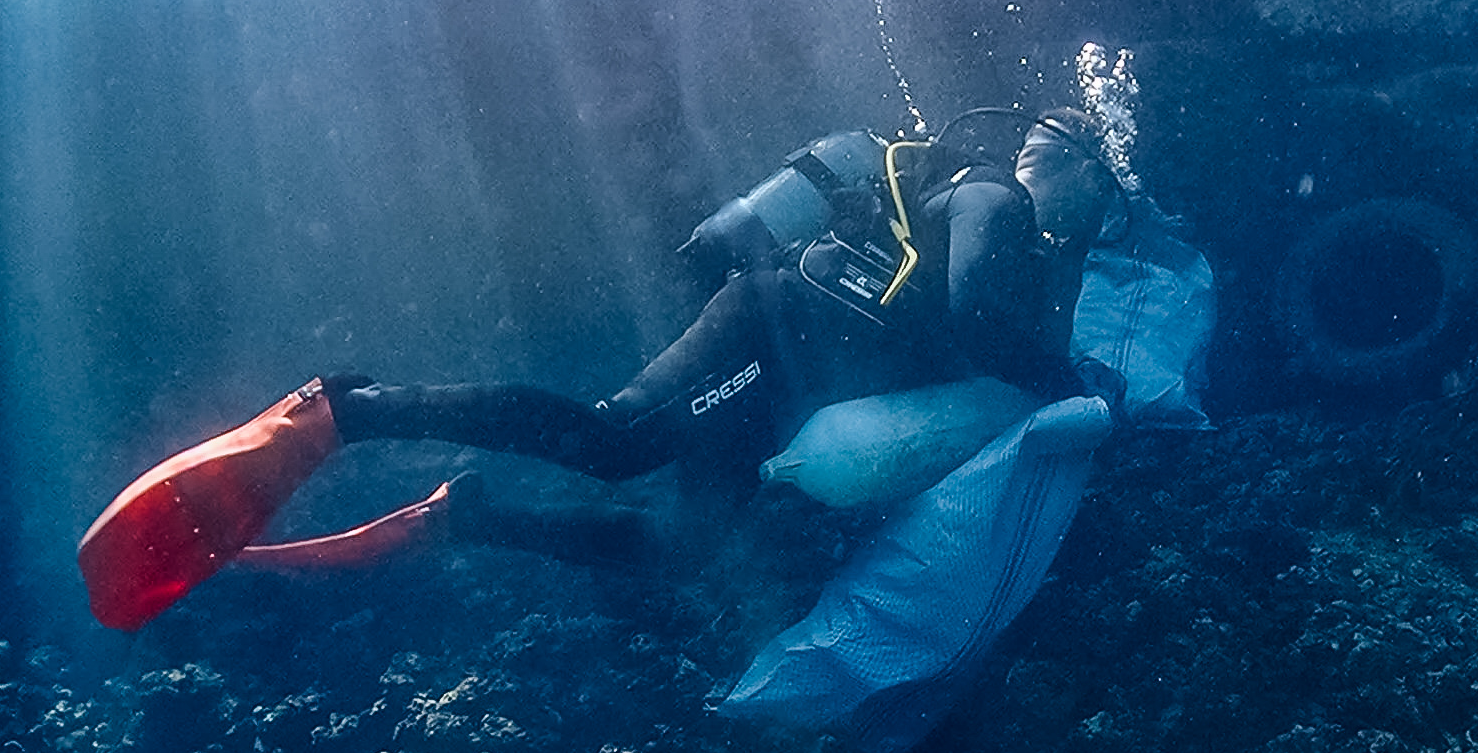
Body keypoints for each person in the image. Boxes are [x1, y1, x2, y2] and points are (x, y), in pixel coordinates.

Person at [79, 109, 1127, 632]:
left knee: (681, 551)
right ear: (1068, 161)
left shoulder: (996, 209)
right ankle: (345, 410)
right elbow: (975, 313)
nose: (1085, 226)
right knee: (616, 439)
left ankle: (470, 513)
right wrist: (1073, 380)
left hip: (794, 387)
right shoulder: (995, 193)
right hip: (773, 328)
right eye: (1097, 200)